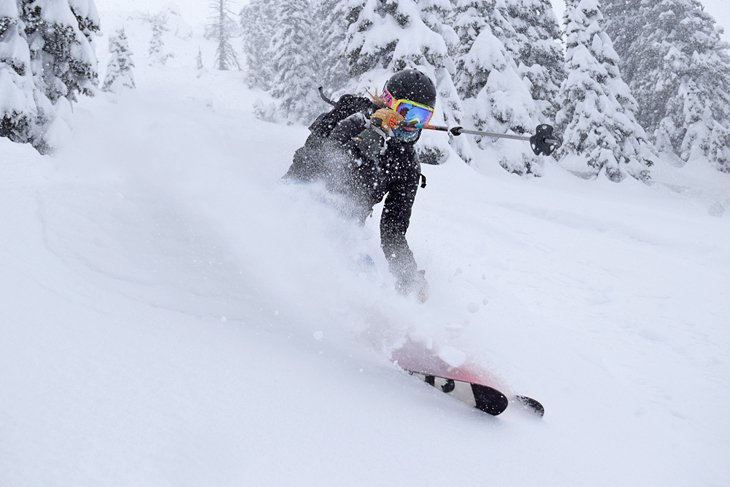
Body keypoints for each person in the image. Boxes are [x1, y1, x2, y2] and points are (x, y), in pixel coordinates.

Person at [284, 69, 436, 301]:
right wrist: (370, 137)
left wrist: (408, 275)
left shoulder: (407, 166)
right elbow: (318, 162)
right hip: (300, 199)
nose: (411, 123)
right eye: (406, 111)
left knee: (365, 281)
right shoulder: (351, 117)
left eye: (422, 117)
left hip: (343, 229)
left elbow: (393, 230)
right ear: (389, 102)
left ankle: (380, 320)